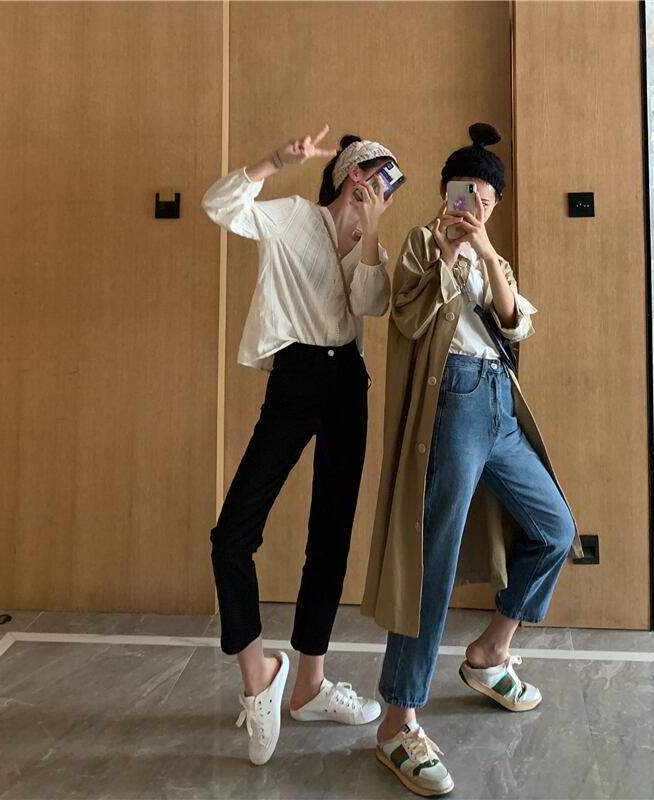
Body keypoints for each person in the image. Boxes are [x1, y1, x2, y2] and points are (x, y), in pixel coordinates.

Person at [361, 123, 583, 796]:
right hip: (452, 407)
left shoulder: (494, 257)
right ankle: (398, 721)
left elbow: (515, 323)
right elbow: (408, 316)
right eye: (467, 194)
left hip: (498, 407)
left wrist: (483, 251)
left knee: (556, 529)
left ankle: (489, 653)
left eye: (487, 200)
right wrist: (452, 251)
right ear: (446, 192)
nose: (476, 207)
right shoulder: (421, 244)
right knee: (432, 557)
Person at [201, 125, 397, 765]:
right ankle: (258, 676)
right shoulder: (292, 218)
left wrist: (371, 232)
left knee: (331, 537)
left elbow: (372, 303)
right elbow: (219, 206)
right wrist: (273, 162)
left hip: (347, 384)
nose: (383, 190)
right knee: (233, 535)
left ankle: (310, 685)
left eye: (391, 185)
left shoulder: (369, 243)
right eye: (377, 177)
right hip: (296, 376)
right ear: (351, 174)